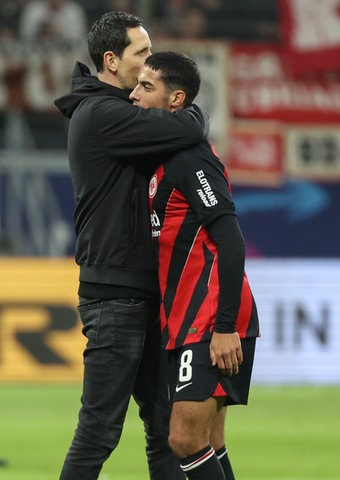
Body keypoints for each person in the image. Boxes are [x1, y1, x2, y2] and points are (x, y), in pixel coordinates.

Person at [54, 11, 209, 480]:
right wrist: (191, 107)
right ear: (110, 60)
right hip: (115, 295)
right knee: (99, 430)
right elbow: (187, 129)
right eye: (141, 53)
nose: (148, 63)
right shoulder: (104, 114)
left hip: (137, 289)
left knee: (164, 428)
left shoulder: (111, 111)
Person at [130, 51, 260, 480]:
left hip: (208, 319)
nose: (134, 94)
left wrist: (224, 327)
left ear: (176, 99)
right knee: (210, 440)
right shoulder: (164, 155)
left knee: (184, 439)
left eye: (146, 86)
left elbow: (230, 239)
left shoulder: (191, 157)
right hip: (187, 316)